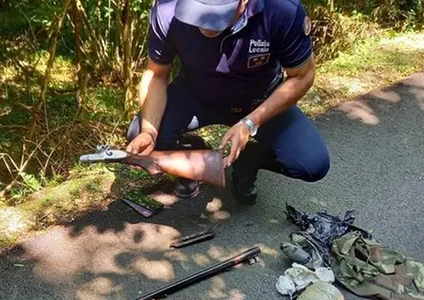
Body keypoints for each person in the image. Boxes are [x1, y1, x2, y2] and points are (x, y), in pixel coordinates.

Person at [126, 0, 330, 203]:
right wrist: (149, 132)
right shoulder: (167, 9)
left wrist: (250, 123)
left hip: (260, 100)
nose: (206, 25)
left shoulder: (281, 10)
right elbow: (156, 75)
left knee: (312, 163)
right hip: (196, 94)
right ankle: (196, 155)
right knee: (140, 134)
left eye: (217, 14)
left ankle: (251, 159)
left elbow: (302, 76)